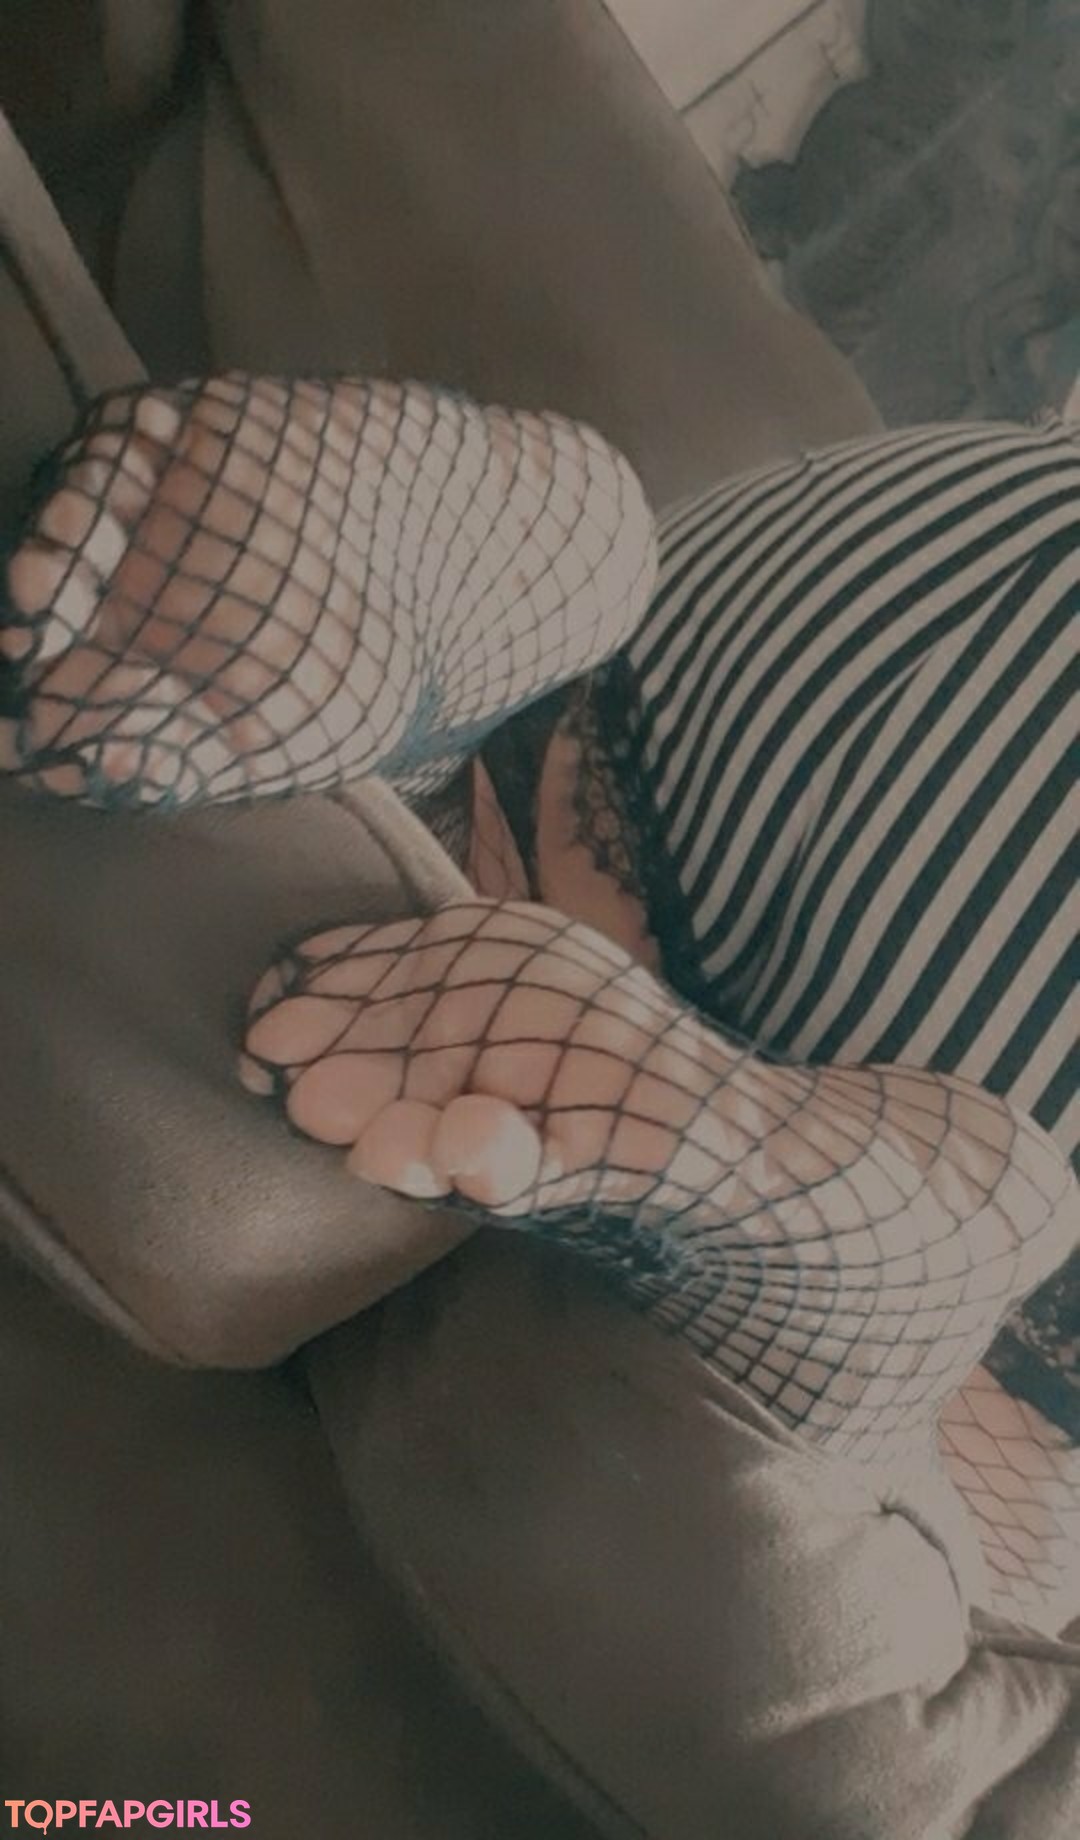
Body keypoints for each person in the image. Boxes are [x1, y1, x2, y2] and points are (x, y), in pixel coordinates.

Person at [3, 362, 1078, 1634]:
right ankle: (879, 1273)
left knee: (529, 723)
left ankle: (550, 577)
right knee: (989, 1537)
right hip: (1009, 1208)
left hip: (832, 611)